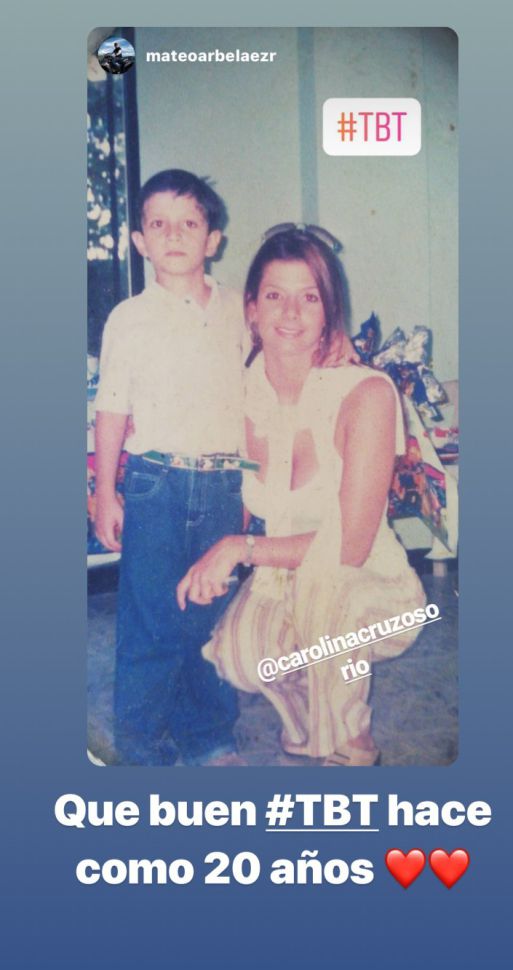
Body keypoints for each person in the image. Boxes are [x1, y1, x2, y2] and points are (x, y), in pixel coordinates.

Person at [177, 226, 426, 766]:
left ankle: (349, 738)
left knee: (328, 601)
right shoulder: (240, 393)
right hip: (281, 579)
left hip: (370, 588)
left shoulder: (365, 394)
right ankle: (307, 720)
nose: (290, 313)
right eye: (275, 295)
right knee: (239, 657)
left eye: (309, 297)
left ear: (328, 311)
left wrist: (239, 548)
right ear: (251, 309)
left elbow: (350, 547)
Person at [94, 169, 248, 766]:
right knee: (152, 619)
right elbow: (111, 409)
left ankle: (208, 734)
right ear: (140, 241)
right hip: (153, 482)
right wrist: (105, 492)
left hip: (223, 484)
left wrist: (252, 490)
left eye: (189, 223)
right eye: (159, 224)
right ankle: (140, 744)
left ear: (213, 239)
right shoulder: (128, 317)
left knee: (210, 614)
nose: (174, 235)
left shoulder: (240, 310)